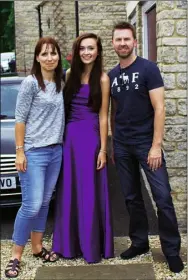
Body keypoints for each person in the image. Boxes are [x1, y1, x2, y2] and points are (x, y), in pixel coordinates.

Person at [109, 21, 184, 273]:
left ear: (134, 42)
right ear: (113, 44)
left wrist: (156, 146)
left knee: (162, 198)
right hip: (121, 145)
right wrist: (112, 141)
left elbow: (160, 108)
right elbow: (112, 111)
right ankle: (139, 242)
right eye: (118, 40)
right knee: (132, 198)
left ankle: (171, 250)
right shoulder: (111, 75)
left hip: (146, 144)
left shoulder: (148, 69)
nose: (122, 43)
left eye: (126, 39)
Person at [5, 37, 65, 278]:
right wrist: (19, 151)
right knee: (30, 205)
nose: (49, 57)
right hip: (33, 152)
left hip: (55, 151)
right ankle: (15, 256)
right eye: (44, 54)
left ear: (58, 56)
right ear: (37, 58)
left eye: (53, 53)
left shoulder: (61, 82)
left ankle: (37, 247)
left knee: (43, 202)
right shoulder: (30, 83)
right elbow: (20, 119)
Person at [52, 33, 114, 263]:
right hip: (70, 138)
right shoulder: (70, 74)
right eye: (82, 48)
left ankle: (91, 245)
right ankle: (69, 244)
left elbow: (103, 115)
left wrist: (103, 149)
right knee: (69, 191)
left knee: (88, 192)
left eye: (91, 48)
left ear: (98, 51)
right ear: (77, 52)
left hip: (90, 138)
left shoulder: (104, 79)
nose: (87, 52)